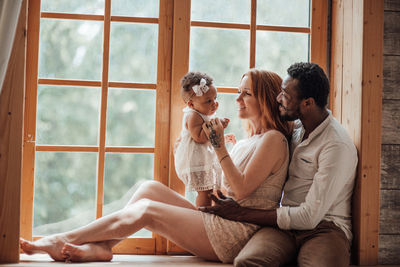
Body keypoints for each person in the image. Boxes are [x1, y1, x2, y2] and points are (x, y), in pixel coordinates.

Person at [19, 69, 291, 263]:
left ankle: (64, 239)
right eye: (238, 91)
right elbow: (226, 181)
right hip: (219, 217)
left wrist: (219, 147)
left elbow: (242, 190)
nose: (237, 98)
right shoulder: (248, 140)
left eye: (246, 93)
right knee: (149, 189)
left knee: (147, 210)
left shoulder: (274, 140)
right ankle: (102, 248)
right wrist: (195, 151)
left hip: (235, 234)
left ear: (265, 98)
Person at [200, 62, 358, 267]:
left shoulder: (336, 145)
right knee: (246, 262)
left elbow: (309, 217)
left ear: (308, 103)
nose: (277, 99)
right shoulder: (297, 127)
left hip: (325, 227)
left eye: (285, 95)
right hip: (285, 227)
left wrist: (241, 213)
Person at [174, 71, 231, 207]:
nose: (214, 104)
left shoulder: (201, 113)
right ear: (191, 105)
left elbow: (207, 136)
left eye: (215, 99)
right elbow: (199, 137)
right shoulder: (193, 116)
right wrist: (217, 127)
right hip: (194, 159)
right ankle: (202, 215)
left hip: (201, 157)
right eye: (208, 101)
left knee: (208, 190)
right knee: (205, 192)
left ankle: (205, 212)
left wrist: (221, 136)